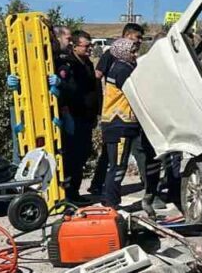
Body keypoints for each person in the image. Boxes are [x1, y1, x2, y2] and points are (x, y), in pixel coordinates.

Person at [98, 37, 157, 212]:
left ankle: (109, 199)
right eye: (132, 51)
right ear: (123, 52)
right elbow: (135, 93)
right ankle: (111, 202)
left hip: (121, 124)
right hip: (119, 124)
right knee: (117, 166)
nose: (135, 54)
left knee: (116, 165)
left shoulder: (120, 66)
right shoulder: (123, 69)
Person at [89, 23, 146, 195]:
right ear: (128, 36)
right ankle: (106, 193)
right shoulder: (116, 61)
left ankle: (148, 186)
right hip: (118, 118)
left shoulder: (128, 63)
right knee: (115, 160)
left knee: (137, 153)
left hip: (127, 119)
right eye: (137, 38)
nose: (139, 43)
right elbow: (98, 76)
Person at [55, 30, 100, 202]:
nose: (89, 49)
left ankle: (74, 192)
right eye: (86, 46)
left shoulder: (87, 63)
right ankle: (67, 194)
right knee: (71, 156)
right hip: (73, 116)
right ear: (75, 46)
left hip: (86, 117)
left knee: (82, 154)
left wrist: (96, 111)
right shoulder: (67, 64)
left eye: (91, 45)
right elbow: (69, 89)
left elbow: (93, 90)